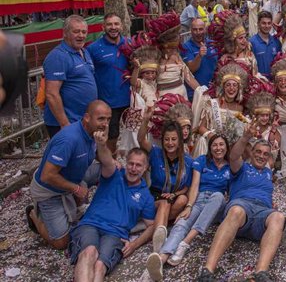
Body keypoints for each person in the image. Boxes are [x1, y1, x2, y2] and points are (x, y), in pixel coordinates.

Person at [197, 130, 286, 282]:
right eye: (258, 152)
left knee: (279, 217)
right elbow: (233, 156)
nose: (261, 156)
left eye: (265, 154)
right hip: (241, 208)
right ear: (251, 153)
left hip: (262, 213)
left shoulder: (267, 173)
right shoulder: (241, 167)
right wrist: (245, 137)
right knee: (236, 211)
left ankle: (261, 273)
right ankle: (207, 272)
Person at [70, 136, 155, 282]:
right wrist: (102, 145)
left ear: (146, 168)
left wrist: (134, 244)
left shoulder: (146, 196)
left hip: (115, 234)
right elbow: (106, 159)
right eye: (131, 163)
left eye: (138, 165)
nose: (133, 169)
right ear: (125, 163)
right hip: (91, 224)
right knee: (89, 251)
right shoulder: (113, 173)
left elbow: (151, 226)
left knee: (100, 265)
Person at [147, 134, 231, 280]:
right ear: (209, 148)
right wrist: (189, 206)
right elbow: (195, 186)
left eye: (221, 144)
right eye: (214, 145)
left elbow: (232, 190)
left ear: (226, 147)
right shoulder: (201, 161)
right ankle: (162, 259)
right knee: (181, 223)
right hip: (200, 198)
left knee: (217, 196)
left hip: (217, 204)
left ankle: (185, 243)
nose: (218, 148)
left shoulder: (231, 167)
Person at [27, 101, 110, 250]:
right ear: (87, 118)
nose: (105, 124)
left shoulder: (94, 133)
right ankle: (33, 214)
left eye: (108, 119)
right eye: (101, 119)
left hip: (75, 175)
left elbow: (104, 159)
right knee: (61, 243)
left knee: (111, 170)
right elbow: (47, 175)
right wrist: (76, 188)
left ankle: (84, 205)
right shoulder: (69, 140)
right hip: (50, 190)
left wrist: (103, 145)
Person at [138, 106, 193, 254]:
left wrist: (175, 195)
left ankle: (156, 227)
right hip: (155, 197)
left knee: (182, 199)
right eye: (167, 139)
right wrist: (146, 120)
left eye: (174, 139)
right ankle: (159, 247)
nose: (170, 143)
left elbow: (187, 187)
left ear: (180, 140)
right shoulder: (156, 153)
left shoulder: (187, 160)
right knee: (164, 203)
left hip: (172, 197)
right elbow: (141, 139)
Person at [43, 15, 98, 138]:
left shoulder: (84, 52)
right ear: (65, 33)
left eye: (84, 32)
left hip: (82, 120)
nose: (81, 35)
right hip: (67, 123)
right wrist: (64, 123)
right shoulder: (58, 56)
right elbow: (51, 93)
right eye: (76, 31)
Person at [87, 14, 130, 153]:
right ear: (103, 27)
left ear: (121, 26)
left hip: (130, 99)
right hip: (108, 103)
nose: (113, 27)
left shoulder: (130, 44)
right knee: (111, 138)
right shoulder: (93, 49)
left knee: (134, 136)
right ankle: (111, 168)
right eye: (109, 24)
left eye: (116, 24)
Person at [182, 18, 218, 100]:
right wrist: (199, 56)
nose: (198, 32)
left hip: (213, 92)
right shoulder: (186, 47)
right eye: (195, 30)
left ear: (205, 29)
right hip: (195, 94)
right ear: (190, 31)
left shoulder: (213, 44)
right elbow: (190, 69)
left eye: (201, 29)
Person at [249, 11, 282, 78]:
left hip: (274, 82)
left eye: (269, 23)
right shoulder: (252, 42)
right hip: (259, 83)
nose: (267, 26)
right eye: (263, 23)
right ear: (258, 24)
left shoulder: (276, 41)